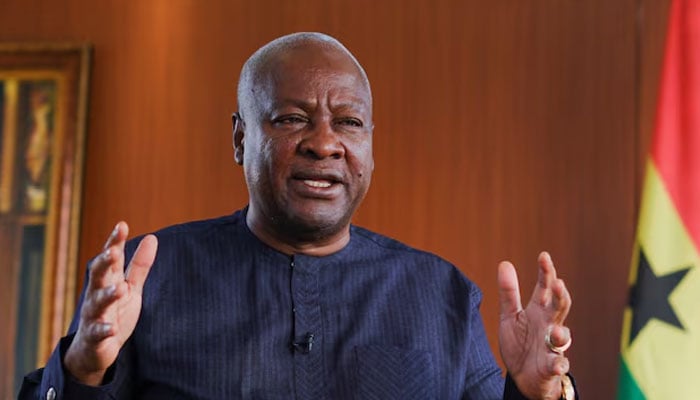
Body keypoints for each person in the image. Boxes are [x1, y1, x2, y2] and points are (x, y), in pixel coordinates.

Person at [19, 32, 577, 400]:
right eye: (291, 119)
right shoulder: (150, 276)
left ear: (371, 145)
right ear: (240, 138)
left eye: (349, 123)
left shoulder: (441, 293)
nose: (324, 144)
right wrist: (82, 368)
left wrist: (533, 393)